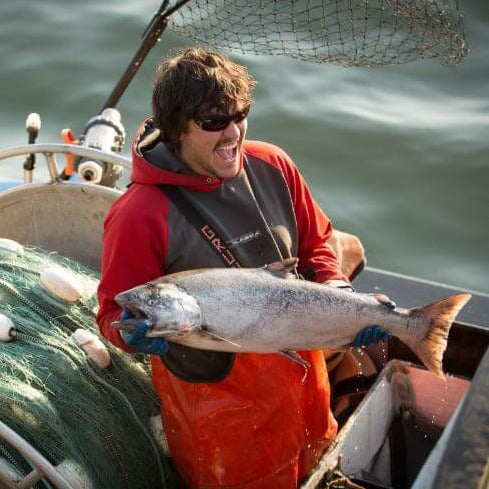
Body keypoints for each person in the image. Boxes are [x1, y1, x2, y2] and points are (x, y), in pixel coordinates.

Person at [96, 47, 392, 489]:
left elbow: (317, 245)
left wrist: (339, 293)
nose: (233, 132)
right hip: (217, 410)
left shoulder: (273, 164)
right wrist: (128, 334)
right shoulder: (138, 214)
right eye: (215, 122)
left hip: (302, 371)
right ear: (176, 129)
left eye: (240, 114)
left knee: (319, 465)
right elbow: (111, 314)